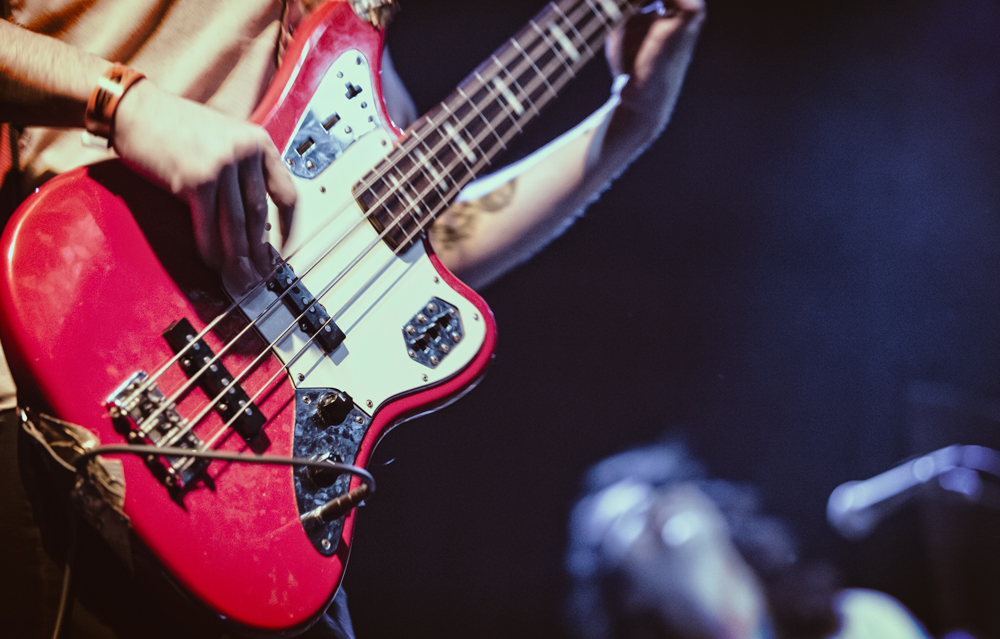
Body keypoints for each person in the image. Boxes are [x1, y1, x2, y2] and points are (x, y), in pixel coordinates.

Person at [0, 0, 705, 637]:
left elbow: (411, 244)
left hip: (260, 485)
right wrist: (123, 102)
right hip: (66, 373)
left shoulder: (349, 26)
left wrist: (629, 121)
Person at [565, 439, 932, 639]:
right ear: (629, 595)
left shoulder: (864, 622)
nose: (652, 507)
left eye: (658, 488)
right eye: (625, 519)